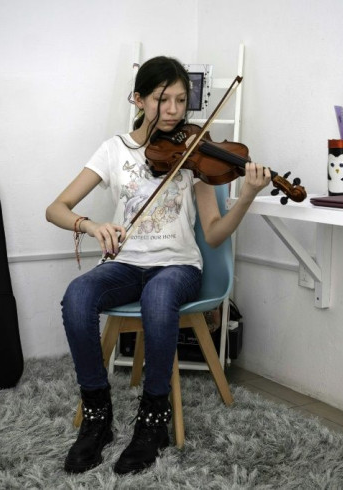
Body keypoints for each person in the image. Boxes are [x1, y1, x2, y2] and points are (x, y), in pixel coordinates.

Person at [45, 56, 271, 475]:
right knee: (78, 296)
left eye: (180, 100)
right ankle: (97, 415)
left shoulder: (195, 153)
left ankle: (153, 418)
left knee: (160, 292)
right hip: (126, 264)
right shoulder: (113, 150)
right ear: (139, 98)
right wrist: (92, 226)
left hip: (178, 267)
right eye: (161, 99)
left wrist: (246, 196)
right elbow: (56, 208)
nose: (172, 110)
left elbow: (215, 233)